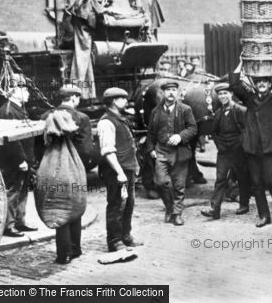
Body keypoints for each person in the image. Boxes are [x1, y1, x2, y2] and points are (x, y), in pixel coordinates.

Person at [230, 56, 272, 228]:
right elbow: (235, 84)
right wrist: (241, 62)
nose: (262, 84)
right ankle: (264, 215)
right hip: (252, 146)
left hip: (268, 147)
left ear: (270, 84)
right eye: (258, 81)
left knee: (269, 180)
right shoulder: (249, 99)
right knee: (256, 182)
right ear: (254, 84)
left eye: (265, 81)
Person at [41, 84, 98, 264]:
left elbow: (38, 145)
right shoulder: (82, 118)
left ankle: (63, 254)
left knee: (59, 207)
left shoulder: (46, 116)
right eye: (78, 98)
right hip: (74, 167)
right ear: (73, 98)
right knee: (75, 206)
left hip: (51, 168)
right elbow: (87, 149)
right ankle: (75, 249)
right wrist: (82, 165)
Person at [145, 81, 198, 226]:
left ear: (178, 92)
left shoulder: (185, 109)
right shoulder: (155, 111)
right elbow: (150, 133)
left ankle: (177, 213)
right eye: (168, 90)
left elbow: (193, 128)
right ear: (163, 93)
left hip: (180, 152)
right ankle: (169, 207)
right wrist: (151, 149)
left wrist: (180, 136)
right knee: (160, 182)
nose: (171, 93)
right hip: (161, 151)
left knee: (179, 185)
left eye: (174, 90)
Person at [97, 87, 141, 251]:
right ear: (114, 101)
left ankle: (126, 236)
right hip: (116, 171)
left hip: (127, 169)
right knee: (116, 205)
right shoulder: (106, 121)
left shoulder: (120, 118)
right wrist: (120, 172)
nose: (126, 101)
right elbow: (108, 150)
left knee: (129, 203)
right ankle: (115, 241)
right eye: (123, 99)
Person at [201, 83, 250, 219]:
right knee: (220, 179)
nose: (223, 96)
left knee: (242, 177)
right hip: (223, 152)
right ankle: (214, 209)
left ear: (231, 94)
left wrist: (240, 146)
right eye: (220, 94)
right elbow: (214, 132)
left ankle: (244, 204)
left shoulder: (241, 111)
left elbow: (246, 131)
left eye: (225, 93)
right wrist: (220, 146)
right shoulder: (217, 113)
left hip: (239, 151)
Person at [0, 74, 38, 238]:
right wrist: (21, 159)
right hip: (14, 161)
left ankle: (20, 221)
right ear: (13, 91)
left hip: (24, 159)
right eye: (24, 88)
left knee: (23, 190)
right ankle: (9, 225)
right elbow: (11, 140)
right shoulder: (8, 111)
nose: (27, 92)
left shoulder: (18, 108)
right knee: (13, 191)